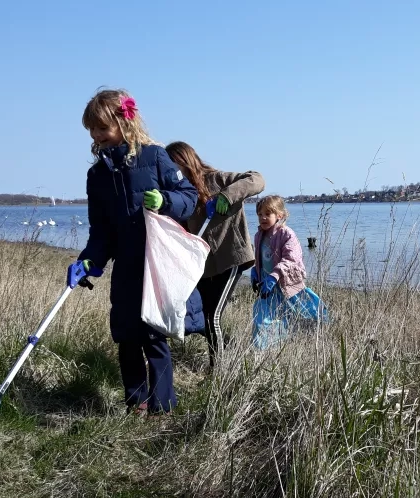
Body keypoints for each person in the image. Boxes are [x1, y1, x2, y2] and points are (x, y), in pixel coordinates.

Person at [67, 88, 201, 416]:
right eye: (92, 130)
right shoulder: (97, 175)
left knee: (155, 337)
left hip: (157, 263)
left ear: (125, 122)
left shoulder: (155, 157)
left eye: (103, 128)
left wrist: (166, 201)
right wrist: (90, 260)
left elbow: (189, 196)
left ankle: (163, 406)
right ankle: (136, 403)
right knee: (126, 336)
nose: (98, 136)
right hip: (126, 265)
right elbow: (101, 230)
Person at [165, 141, 266, 367]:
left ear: (185, 160)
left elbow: (257, 179)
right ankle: (229, 349)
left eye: (173, 165)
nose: (171, 171)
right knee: (201, 319)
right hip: (202, 266)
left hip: (231, 257)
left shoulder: (217, 179)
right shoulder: (181, 193)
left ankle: (218, 372)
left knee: (213, 318)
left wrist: (227, 196)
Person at [251, 195, 326, 349]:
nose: (263, 217)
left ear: (280, 215)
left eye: (267, 214)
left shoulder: (287, 234)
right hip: (267, 288)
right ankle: (262, 349)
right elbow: (259, 258)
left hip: (286, 286)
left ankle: (309, 336)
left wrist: (275, 275)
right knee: (261, 318)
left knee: (305, 314)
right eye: (260, 214)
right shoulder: (259, 236)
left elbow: (292, 259)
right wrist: (255, 271)